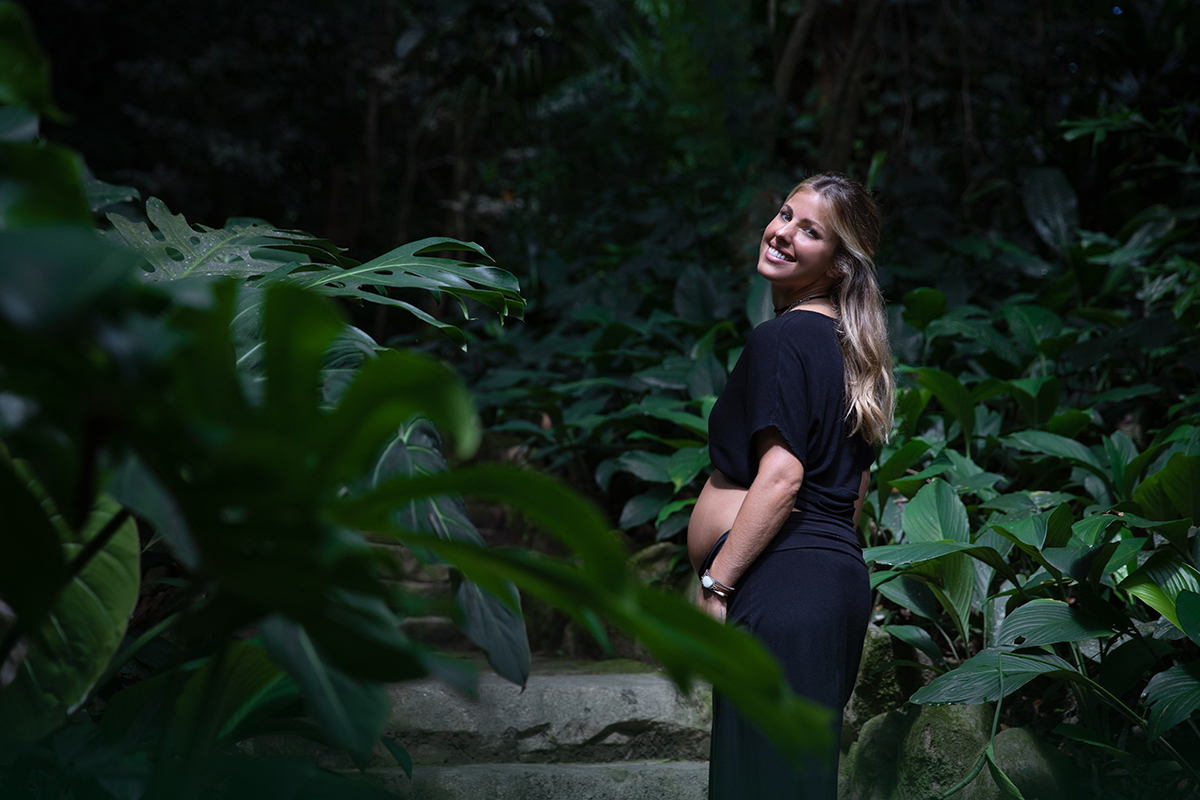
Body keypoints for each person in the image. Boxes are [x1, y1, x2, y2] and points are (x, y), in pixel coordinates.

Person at [687, 172, 894, 799]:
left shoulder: (782, 338)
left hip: (781, 592)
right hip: (833, 589)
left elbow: (781, 478)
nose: (782, 233)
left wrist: (717, 582)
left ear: (836, 266)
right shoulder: (852, 352)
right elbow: (854, 496)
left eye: (810, 232)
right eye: (785, 214)